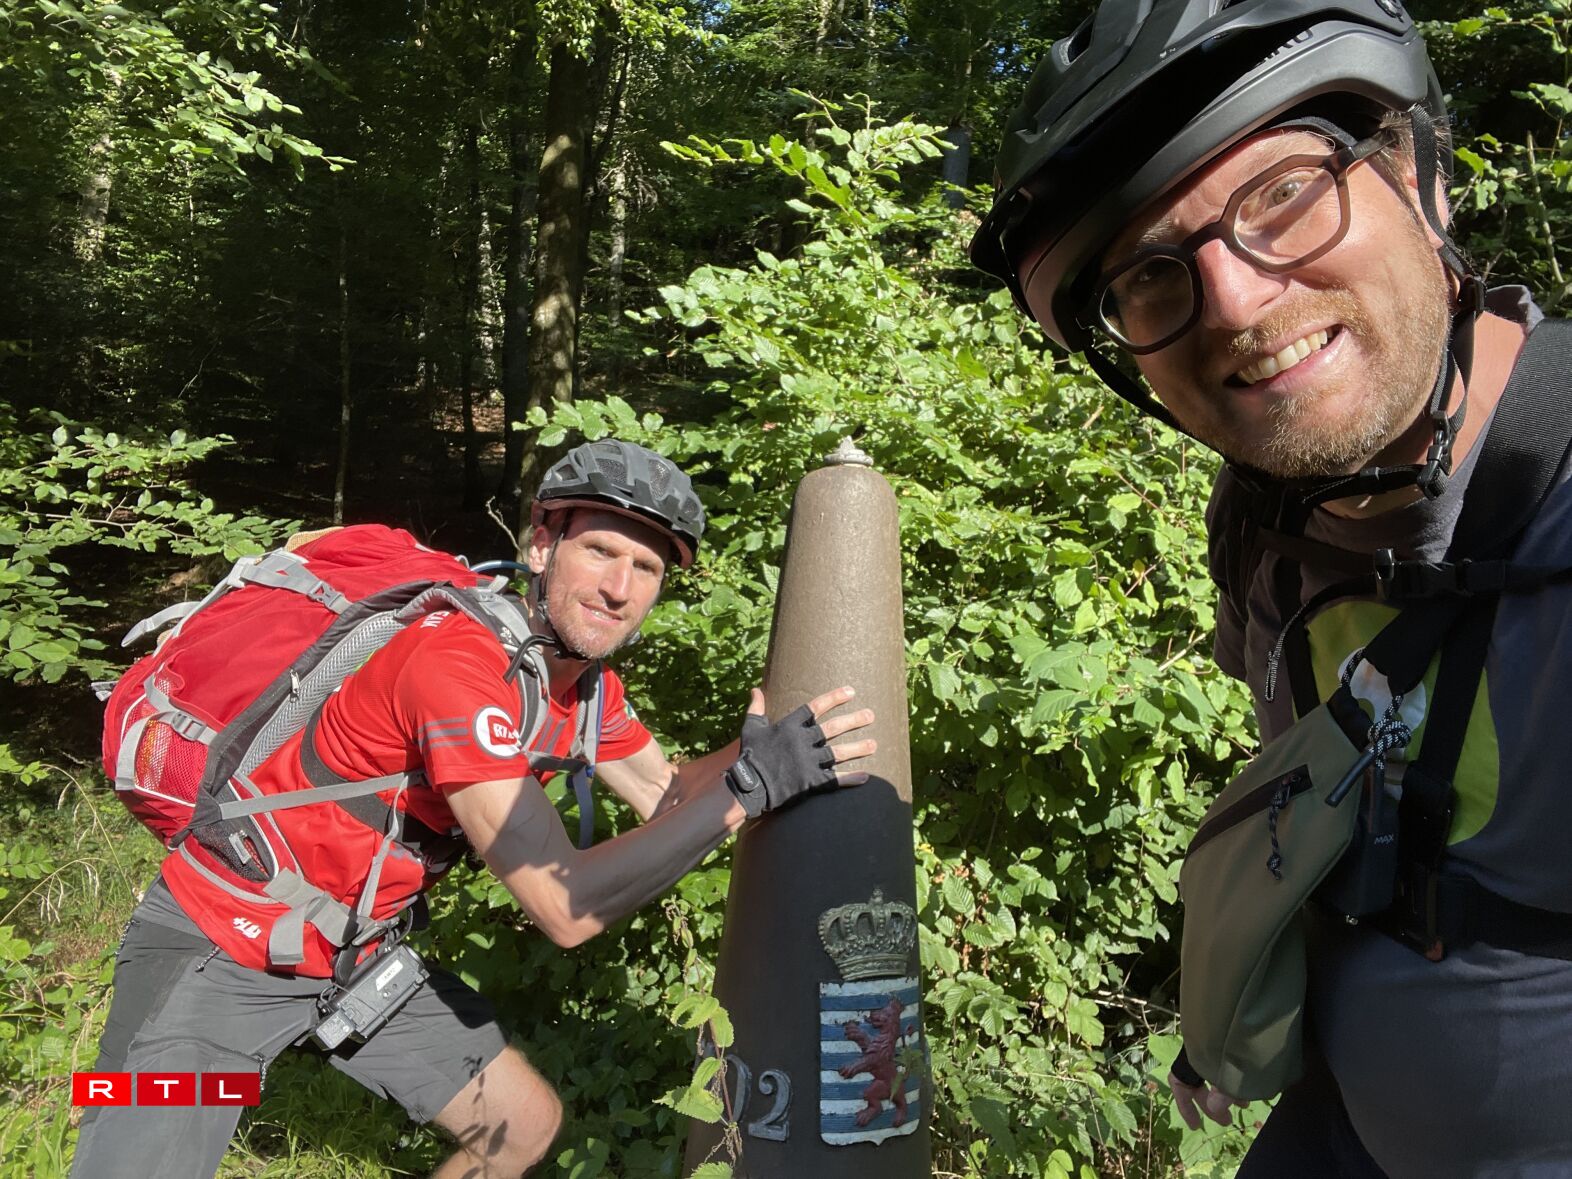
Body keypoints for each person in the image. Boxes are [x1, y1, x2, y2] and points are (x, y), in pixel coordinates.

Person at [972, 1, 1572, 1175]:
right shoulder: (1264, 518)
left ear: (1421, 178)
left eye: (1283, 194)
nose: (1239, 305)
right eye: (1152, 274)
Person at [71, 439, 876, 1178]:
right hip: (221, 943)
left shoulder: (579, 692)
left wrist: (753, 754)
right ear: (542, 545)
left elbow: (665, 795)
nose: (618, 587)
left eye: (646, 567)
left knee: (518, 1126)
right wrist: (749, 790)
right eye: (600, 550)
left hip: (347, 954)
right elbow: (564, 904)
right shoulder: (456, 664)